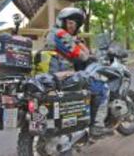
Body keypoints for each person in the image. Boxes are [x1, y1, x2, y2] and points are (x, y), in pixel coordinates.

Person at [45, 7, 113, 137]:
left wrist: (78, 41)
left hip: (52, 76)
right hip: (62, 77)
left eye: (74, 24)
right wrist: (87, 52)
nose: (72, 26)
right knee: (102, 87)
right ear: (62, 21)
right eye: (69, 22)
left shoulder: (52, 34)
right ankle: (97, 126)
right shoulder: (59, 34)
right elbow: (81, 56)